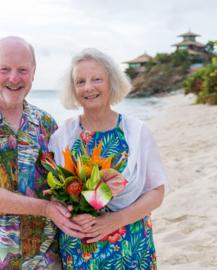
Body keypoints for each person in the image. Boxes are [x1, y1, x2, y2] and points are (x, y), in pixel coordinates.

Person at [0, 36, 84, 270]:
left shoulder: (46, 124)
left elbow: (64, 185)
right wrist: (45, 208)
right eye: (5, 69)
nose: (14, 78)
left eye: (22, 70)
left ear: (33, 73)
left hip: (45, 260)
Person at [49, 48, 167, 269]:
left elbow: (156, 193)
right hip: (81, 248)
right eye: (80, 81)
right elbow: (55, 195)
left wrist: (116, 220)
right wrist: (72, 216)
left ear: (111, 83)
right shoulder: (63, 135)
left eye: (97, 79)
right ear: (73, 89)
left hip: (130, 244)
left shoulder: (136, 131)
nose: (88, 87)